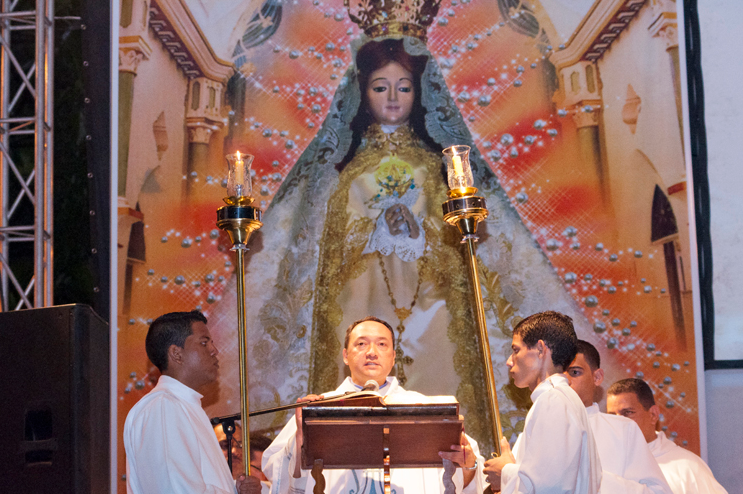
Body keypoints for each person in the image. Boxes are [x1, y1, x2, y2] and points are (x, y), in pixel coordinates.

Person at [207, 8, 595, 455]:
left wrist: (421, 232)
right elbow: (324, 248)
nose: (392, 97)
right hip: (361, 293)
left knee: (440, 382)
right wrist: (369, 232)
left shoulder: (439, 166)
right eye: (380, 87)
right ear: (362, 93)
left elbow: (457, 238)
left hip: (432, 303)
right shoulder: (344, 174)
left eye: (403, 87)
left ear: (420, 93)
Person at [262, 316, 487, 494]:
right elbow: (276, 472)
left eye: (382, 344)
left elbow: (468, 474)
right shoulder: (320, 408)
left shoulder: (423, 407)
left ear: (393, 357)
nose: (371, 352)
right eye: (361, 344)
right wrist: (301, 438)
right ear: (345, 355)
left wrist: (468, 466)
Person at [124, 310, 261, 494]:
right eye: (204, 343)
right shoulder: (164, 407)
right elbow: (175, 488)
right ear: (176, 354)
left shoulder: (184, 406)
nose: (214, 350)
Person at [482, 311, 601, 494]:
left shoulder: (553, 400)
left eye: (515, 350)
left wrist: (505, 471)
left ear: (540, 349)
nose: (508, 362)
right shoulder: (561, 398)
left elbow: (550, 487)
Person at [566, 340, 672, 494]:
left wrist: (594, 479)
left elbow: (659, 492)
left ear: (597, 377)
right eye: (557, 375)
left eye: (575, 372)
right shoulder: (536, 430)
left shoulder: (623, 429)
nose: (565, 381)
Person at [606, 379, 727, 494]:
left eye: (628, 413)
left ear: (653, 415)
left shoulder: (687, 468)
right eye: (611, 415)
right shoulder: (602, 465)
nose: (617, 421)